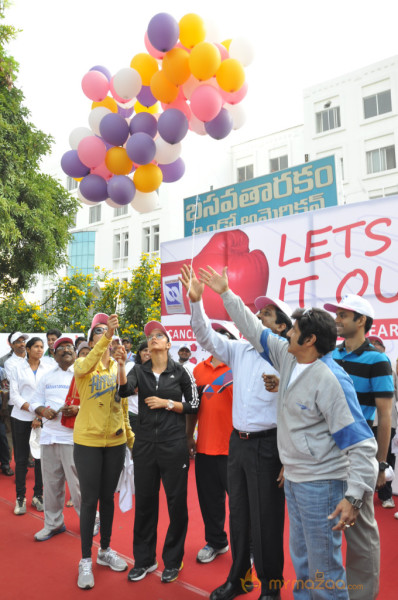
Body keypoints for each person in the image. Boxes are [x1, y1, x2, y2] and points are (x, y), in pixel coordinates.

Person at [198, 265, 378, 600]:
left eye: (293, 330)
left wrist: (354, 497)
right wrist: (225, 292)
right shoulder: (288, 358)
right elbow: (252, 328)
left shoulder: (331, 380)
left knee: (324, 572)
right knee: (305, 565)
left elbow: (362, 444)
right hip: (295, 481)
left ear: (309, 340)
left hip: (322, 484)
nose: (287, 334)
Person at [180, 265, 286, 600]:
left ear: (282, 326)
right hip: (237, 445)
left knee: (266, 520)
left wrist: (226, 292)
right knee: (239, 516)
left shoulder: (284, 354)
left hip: (268, 446)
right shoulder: (240, 351)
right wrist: (196, 302)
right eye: (259, 312)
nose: (258, 317)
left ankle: (271, 586)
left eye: (267, 314)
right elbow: (204, 336)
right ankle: (240, 579)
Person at [116, 320, 199, 585]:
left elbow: (195, 403)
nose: (153, 338)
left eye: (159, 335)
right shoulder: (138, 370)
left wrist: (169, 404)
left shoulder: (182, 372)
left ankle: (173, 561)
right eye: (150, 336)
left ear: (168, 343)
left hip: (174, 446)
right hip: (144, 447)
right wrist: (120, 366)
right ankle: (144, 560)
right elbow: (123, 391)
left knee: (176, 505)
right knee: (145, 505)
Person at [324, 295, 394, 600]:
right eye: (337, 314)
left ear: (361, 320)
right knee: (328, 524)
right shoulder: (330, 355)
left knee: (361, 531)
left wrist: (379, 463)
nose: (337, 319)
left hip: (358, 453)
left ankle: (362, 595)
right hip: (326, 455)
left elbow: (384, 415)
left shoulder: (377, 360)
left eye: (343, 314)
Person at [73, 313, 134, 590]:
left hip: (115, 442)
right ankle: (85, 559)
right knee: (89, 500)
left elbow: (123, 402)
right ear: (92, 340)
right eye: (98, 332)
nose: (105, 335)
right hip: (88, 442)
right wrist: (107, 335)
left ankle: (105, 549)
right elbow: (88, 361)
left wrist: (130, 438)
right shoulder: (82, 366)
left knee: (108, 497)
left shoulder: (116, 368)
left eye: (106, 331)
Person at [30, 336, 98, 541]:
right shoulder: (47, 375)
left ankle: (91, 520)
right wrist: (43, 410)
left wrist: (78, 409)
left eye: (70, 346)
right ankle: (53, 523)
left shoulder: (84, 374)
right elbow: (35, 402)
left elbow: (97, 402)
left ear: (76, 353)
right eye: (62, 347)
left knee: (78, 485)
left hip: (74, 437)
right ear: (54, 353)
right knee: (51, 485)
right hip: (49, 436)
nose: (67, 349)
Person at [187, 324, 235, 565]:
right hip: (205, 447)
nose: (216, 341)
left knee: (240, 504)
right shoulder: (198, 370)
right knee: (210, 501)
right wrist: (189, 436)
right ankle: (217, 542)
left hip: (235, 449)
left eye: (223, 337)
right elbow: (193, 408)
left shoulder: (239, 368)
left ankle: (247, 546)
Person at [9, 337, 51, 515]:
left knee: (40, 458)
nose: (40, 350)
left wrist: (39, 416)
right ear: (27, 349)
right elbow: (14, 395)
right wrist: (34, 410)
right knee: (20, 460)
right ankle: (20, 498)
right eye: (36, 347)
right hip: (21, 417)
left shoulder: (48, 368)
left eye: (42, 347)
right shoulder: (17, 368)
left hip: (41, 419)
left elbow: (48, 393)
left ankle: (38, 495)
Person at [367, 335, 398, 510]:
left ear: (384, 348)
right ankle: (366, 494)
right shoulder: (362, 367)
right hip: (368, 421)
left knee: (387, 459)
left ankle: (386, 495)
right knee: (365, 457)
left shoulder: (391, 371)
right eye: (371, 345)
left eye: (378, 345)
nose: (375, 347)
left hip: (389, 422)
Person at [126, 340, 151, 433]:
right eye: (145, 350)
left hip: (150, 417)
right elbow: (123, 388)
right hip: (132, 414)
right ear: (139, 352)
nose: (148, 353)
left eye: (150, 351)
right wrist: (134, 390)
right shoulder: (131, 366)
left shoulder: (158, 371)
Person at [0, 367, 14, 476]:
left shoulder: (1, 370)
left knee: (2, 437)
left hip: (0, 409)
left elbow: (5, 389)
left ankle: (5, 464)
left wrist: (4, 408)